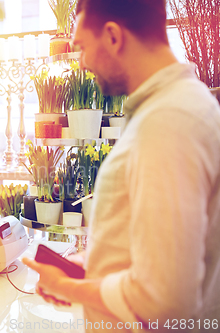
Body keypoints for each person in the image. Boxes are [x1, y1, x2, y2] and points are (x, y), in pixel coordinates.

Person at [23, 0, 220, 331]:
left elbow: (165, 300)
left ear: (114, 37)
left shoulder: (168, 121)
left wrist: (66, 287)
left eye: (83, 47)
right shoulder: (174, 107)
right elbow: (158, 252)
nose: (82, 62)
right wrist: (91, 265)